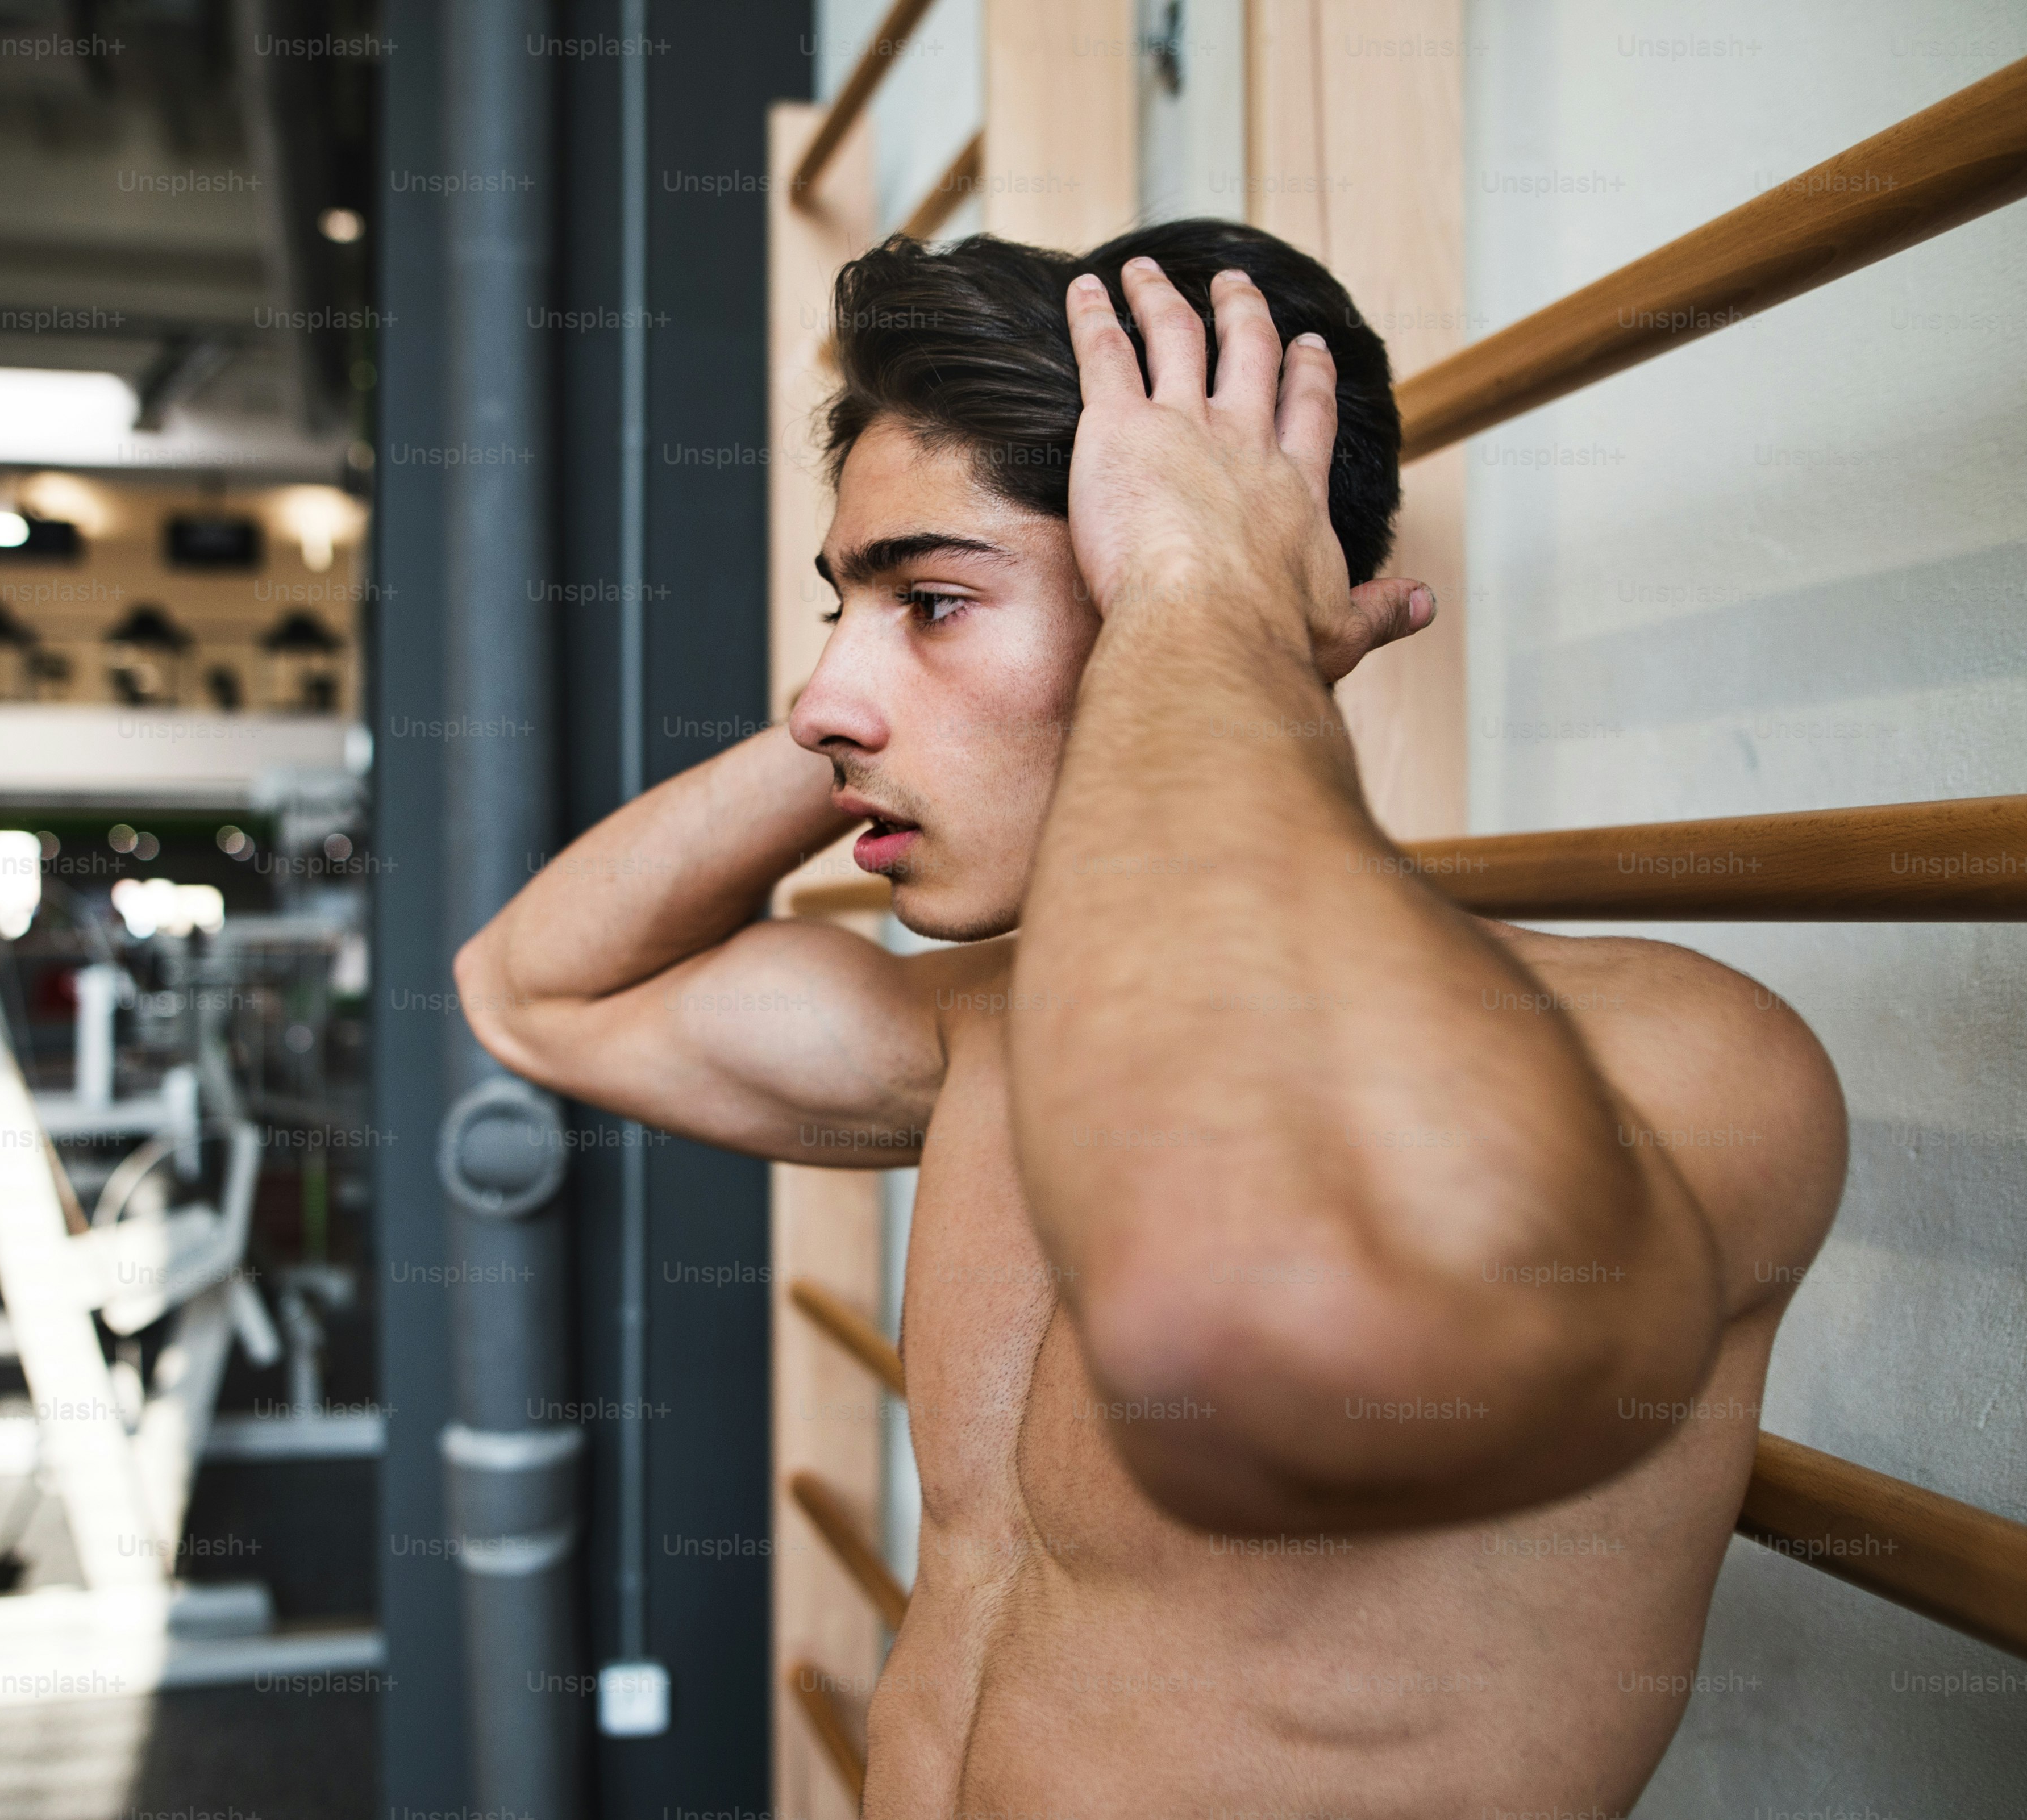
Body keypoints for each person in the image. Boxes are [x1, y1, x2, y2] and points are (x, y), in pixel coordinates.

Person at [456, 221, 1847, 1815]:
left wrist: (1202, 598)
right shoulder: (993, 1027)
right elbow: (535, 988)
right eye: (846, 609)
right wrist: (902, 661)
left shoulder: (1675, 1062)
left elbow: (1259, 1328)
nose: (816, 701)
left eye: (934, 600)